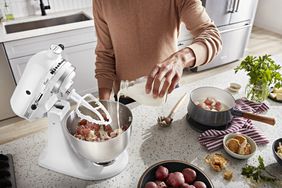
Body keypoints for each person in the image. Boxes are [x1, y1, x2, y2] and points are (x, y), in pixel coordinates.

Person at [93, 0, 222, 104]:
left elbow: (212, 36)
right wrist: (104, 104)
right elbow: (105, 54)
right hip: (125, 96)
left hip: (165, 91)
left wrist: (181, 59)